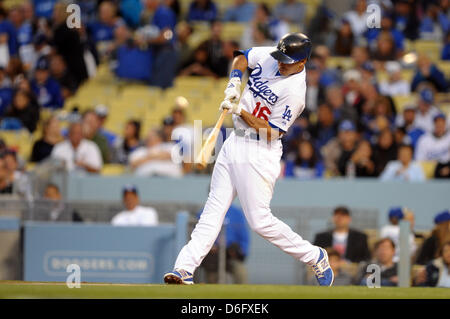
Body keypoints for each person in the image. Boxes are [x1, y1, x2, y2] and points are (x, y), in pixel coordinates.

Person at [164, 33, 334, 286]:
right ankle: (184, 269)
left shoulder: (295, 92)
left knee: (259, 221)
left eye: (287, 61)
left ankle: (315, 255)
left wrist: (240, 110)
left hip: (260, 150)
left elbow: (273, 131)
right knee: (213, 210)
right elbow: (242, 57)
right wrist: (234, 82)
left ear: (302, 63)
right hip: (234, 141)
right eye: (281, 57)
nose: (280, 63)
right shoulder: (273, 56)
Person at [197, 204, 250, 284]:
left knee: (240, 272)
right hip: (212, 257)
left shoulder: (237, 213)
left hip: (230, 255)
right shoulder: (204, 212)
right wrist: (210, 246)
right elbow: (198, 236)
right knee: (212, 278)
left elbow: (244, 238)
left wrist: (240, 252)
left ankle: (241, 296)